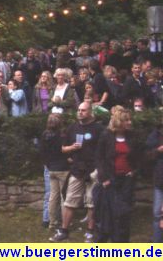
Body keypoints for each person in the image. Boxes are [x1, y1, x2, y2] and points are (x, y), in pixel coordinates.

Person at [49, 102, 103, 242]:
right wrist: (71, 149)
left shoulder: (98, 128)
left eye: (83, 110)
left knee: (92, 202)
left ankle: (90, 231)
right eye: (78, 110)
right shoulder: (72, 127)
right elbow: (63, 149)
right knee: (69, 201)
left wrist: (98, 168)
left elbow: (104, 151)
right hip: (77, 170)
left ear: (90, 111)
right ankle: (64, 230)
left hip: (93, 170)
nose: (80, 112)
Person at [95, 107, 140, 242]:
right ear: (119, 122)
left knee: (123, 215)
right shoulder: (106, 136)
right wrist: (104, 178)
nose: (130, 122)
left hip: (126, 181)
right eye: (126, 120)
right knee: (108, 216)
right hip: (110, 181)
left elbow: (138, 156)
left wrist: (134, 171)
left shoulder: (132, 136)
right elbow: (99, 158)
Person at [40, 114, 69, 229]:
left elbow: (42, 151)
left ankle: (50, 221)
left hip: (50, 168)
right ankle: (64, 221)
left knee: (52, 195)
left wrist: (47, 164)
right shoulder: (61, 136)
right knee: (63, 196)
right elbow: (63, 151)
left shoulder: (44, 135)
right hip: (61, 168)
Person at [146, 119, 163, 242]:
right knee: (157, 213)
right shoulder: (155, 135)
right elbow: (146, 156)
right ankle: (157, 244)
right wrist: (158, 151)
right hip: (160, 181)